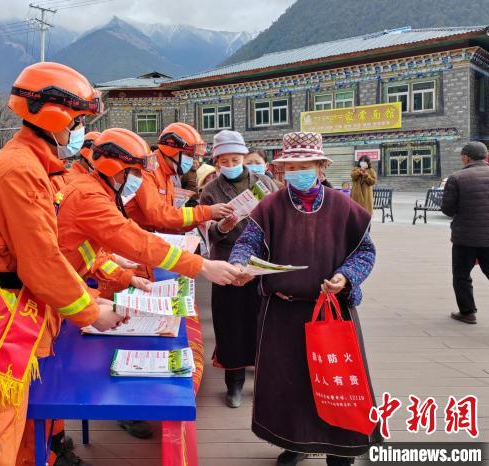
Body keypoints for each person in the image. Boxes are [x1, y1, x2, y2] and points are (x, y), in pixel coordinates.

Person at [0, 62, 123, 466]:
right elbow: (42, 262)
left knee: (21, 436)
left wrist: (89, 297)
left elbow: (44, 254)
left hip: (10, 321)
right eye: (77, 122)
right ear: (55, 117)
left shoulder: (33, 166)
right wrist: (92, 312)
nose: (78, 132)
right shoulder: (19, 172)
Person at [56, 128, 243, 440]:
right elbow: (138, 240)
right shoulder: (90, 196)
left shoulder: (97, 191)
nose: (138, 180)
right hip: (62, 291)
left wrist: (122, 274)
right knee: (68, 369)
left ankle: (62, 438)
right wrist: (202, 265)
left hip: (76, 284)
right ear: (116, 169)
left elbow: (92, 249)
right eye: (134, 173)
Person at [229, 132, 380, 466]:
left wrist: (345, 276)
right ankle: (293, 442)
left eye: (304, 166)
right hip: (282, 312)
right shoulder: (270, 206)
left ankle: (340, 450)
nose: (296, 173)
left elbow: (365, 252)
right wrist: (239, 264)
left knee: (337, 381)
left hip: (331, 311)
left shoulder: (344, 207)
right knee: (290, 383)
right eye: (290, 167)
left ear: (320, 167)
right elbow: (247, 243)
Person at [199, 130, 278, 409]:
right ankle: (233, 383)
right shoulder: (210, 191)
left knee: (262, 322)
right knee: (230, 324)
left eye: (235, 159)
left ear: (244, 157)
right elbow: (205, 234)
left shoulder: (265, 183)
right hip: (226, 264)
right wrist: (221, 227)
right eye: (224, 161)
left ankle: (264, 380)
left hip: (259, 263)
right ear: (217, 162)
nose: (231, 165)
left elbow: (279, 218)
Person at [126, 122, 234, 233]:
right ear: (171, 150)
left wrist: (200, 221)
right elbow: (159, 216)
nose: (191, 161)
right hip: (134, 235)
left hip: (146, 235)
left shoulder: (167, 176)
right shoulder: (147, 171)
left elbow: (168, 222)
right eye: (188, 155)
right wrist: (207, 212)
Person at [441, 141, 489, 324]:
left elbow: (448, 209)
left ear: (466, 157)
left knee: (461, 275)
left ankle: (467, 312)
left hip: (465, 238)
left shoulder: (457, 178)